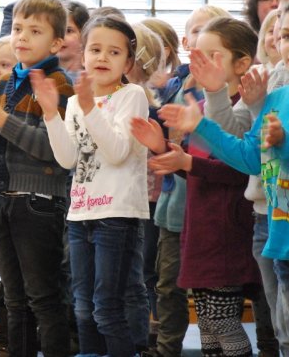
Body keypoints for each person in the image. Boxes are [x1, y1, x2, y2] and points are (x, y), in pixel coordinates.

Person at [158, 0, 289, 356]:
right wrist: (202, 124)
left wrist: (284, 144)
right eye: (287, 35)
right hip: (282, 237)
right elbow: (249, 159)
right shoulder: (277, 99)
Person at [135, 17, 263, 356]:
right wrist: (165, 151)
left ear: (242, 62)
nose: (201, 63)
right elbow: (194, 170)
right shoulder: (201, 106)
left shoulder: (249, 107)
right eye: (198, 55)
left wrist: (188, 162)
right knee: (207, 326)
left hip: (228, 228)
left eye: (213, 55)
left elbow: (240, 169)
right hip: (200, 225)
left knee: (223, 322)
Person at [0, 0, 74, 357]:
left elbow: (54, 151)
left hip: (39, 203)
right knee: (14, 298)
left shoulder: (59, 84)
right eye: (19, 29)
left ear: (56, 42)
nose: (21, 37)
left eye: (34, 31)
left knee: (44, 297)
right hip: (3, 199)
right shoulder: (8, 82)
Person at [31, 15, 149, 356]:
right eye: (95, 49)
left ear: (127, 62)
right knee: (82, 306)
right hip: (81, 213)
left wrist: (88, 108)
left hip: (117, 213)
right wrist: (52, 113)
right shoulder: (76, 102)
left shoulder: (132, 95)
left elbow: (116, 152)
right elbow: (68, 159)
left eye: (113, 53)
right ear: (83, 55)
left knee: (107, 308)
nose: (102, 58)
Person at [146, 5, 228, 357]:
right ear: (184, 41)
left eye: (212, 34)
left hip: (209, 207)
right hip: (173, 205)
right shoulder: (175, 88)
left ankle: (219, 347)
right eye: (196, 32)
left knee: (212, 289)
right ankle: (167, 348)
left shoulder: (224, 95)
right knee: (167, 284)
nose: (202, 40)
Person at [129, 22, 167, 349]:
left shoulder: (143, 100)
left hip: (145, 201)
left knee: (144, 273)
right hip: (125, 199)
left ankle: (149, 336)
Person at [58, 0, 89, 82]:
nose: (60, 37)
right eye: (57, 30)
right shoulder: (43, 74)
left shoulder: (93, 78)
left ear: (84, 34)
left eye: (68, 31)